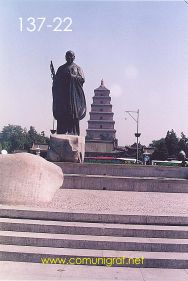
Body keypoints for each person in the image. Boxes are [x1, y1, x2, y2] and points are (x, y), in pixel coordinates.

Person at [52, 51, 86, 135]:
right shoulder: (61, 68)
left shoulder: (78, 68)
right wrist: (55, 79)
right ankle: (62, 131)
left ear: (74, 57)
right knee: (62, 113)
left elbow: (82, 79)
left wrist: (72, 77)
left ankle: (72, 131)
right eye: (67, 56)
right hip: (63, 96)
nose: (69, 58)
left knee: (72, 114)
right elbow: (57, 82)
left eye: (71, 56)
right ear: (65, 57)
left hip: (73, 96)